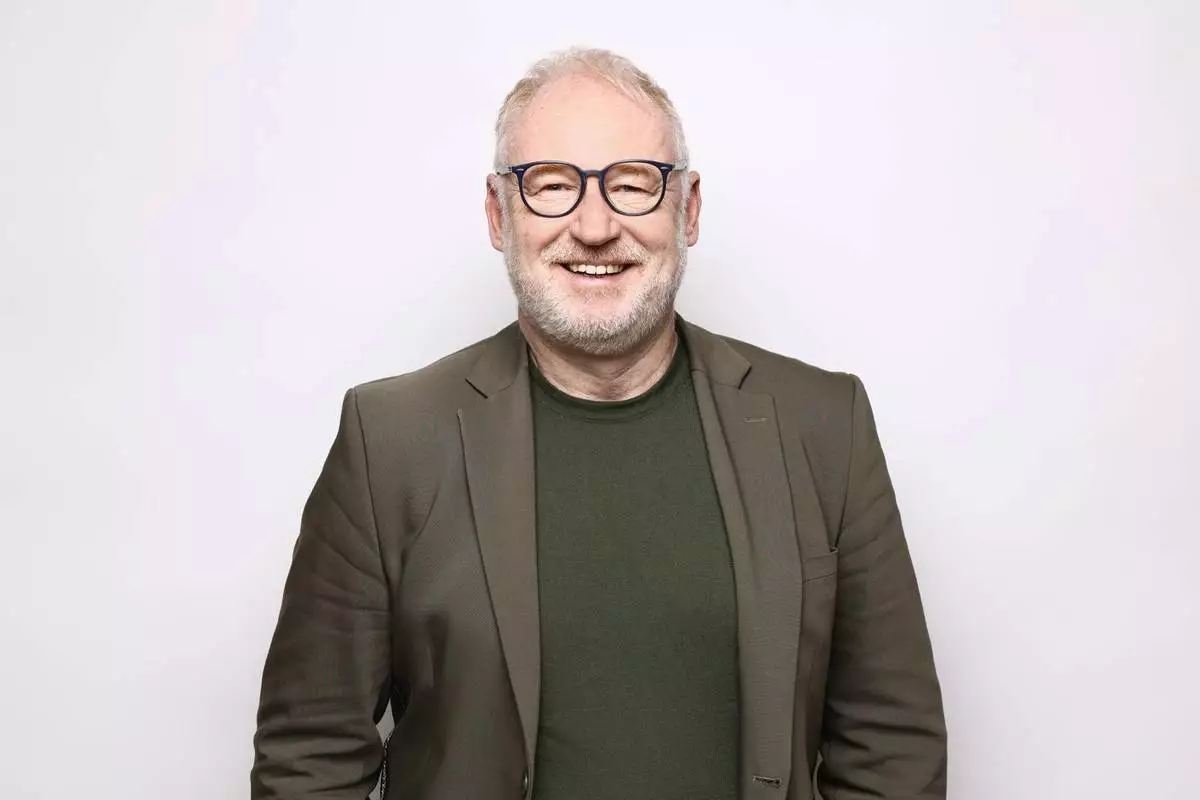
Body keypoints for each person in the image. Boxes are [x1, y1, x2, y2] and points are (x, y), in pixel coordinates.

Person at [251, 47, 947, 800]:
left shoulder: (823, 425)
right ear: (499, 214)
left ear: (689, 210)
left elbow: (891, 745)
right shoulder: (388, 441)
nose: (593, 226)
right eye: (551, 185)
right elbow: (310, 757)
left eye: (633, 184)